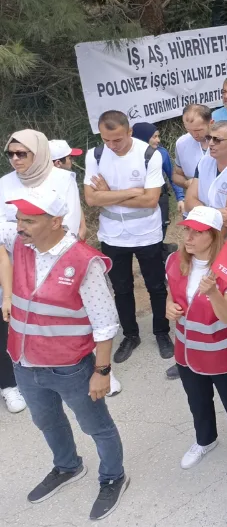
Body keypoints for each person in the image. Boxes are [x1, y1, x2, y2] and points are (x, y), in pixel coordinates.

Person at [0, 189, 128, 520]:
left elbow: (104, 325)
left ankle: (113, 476)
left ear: (56, 222)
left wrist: (101, 372)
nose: (20, 226)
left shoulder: (85, 262)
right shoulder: (20, 241)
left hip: (70, 368)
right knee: (46, 420)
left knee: (96, 426)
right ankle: (67, 466)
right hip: (25, 363)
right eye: (18, 219)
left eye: (29, 220)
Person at [163, 206, 227, 472]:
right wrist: (169, 307)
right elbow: (172, 295)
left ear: (214, 236)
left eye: (197, 232)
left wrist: (213, 293)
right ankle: (205, 440)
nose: (188, 237)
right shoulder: (174, 261)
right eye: (187, 230)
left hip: (224, 353)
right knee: (197, 399)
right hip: (188, 352)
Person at [83, 111, 170, 364]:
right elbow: (91, 199)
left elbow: (151, 200)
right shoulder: (95, 155)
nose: (112, 145)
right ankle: (130, 334)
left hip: (146, 232)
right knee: (121, 288)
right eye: (106, 140)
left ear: (129, 131)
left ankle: (161, 332)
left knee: (155, 286)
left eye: (117, 140)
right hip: (112, 234)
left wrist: (109, 194)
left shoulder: (149, 154)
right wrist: (131, 192)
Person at [2, 130, 84, 239]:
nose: (15, 159)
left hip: (55, 250)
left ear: (37, 153)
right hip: (15, 249)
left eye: (21, 154)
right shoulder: (5, 182)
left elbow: (71, 222)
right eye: (10, 154)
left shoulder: (64, 179)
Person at [130, 122, 184, 253]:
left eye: (158, 136)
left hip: (160, 198)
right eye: (154, 137)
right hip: (137, 200)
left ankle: (161, 252)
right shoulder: (128, 155)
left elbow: (172, 176)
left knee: (161, 228)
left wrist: (180, 198)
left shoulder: (162, 153)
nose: (158, 140)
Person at [172, 104, 214, 213]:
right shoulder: (182, 143)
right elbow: (177, 175)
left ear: (211, 123)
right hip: (195, 210)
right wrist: (186, 183)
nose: (194, 135)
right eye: (189, 130)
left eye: (198, 130)